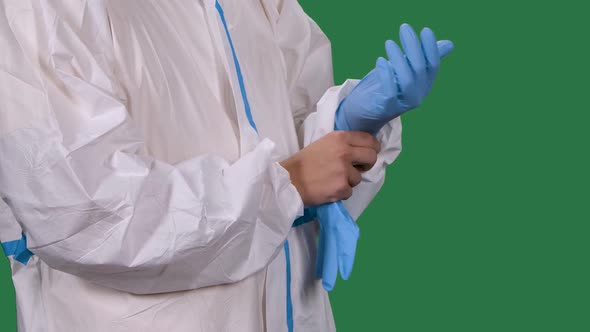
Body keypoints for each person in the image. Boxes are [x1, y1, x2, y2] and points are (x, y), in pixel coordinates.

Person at [0, 0, 452, 331]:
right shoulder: (46, 9)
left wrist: (348, 124)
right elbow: (87, 212)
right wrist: (287, 184)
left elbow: (295, 142)